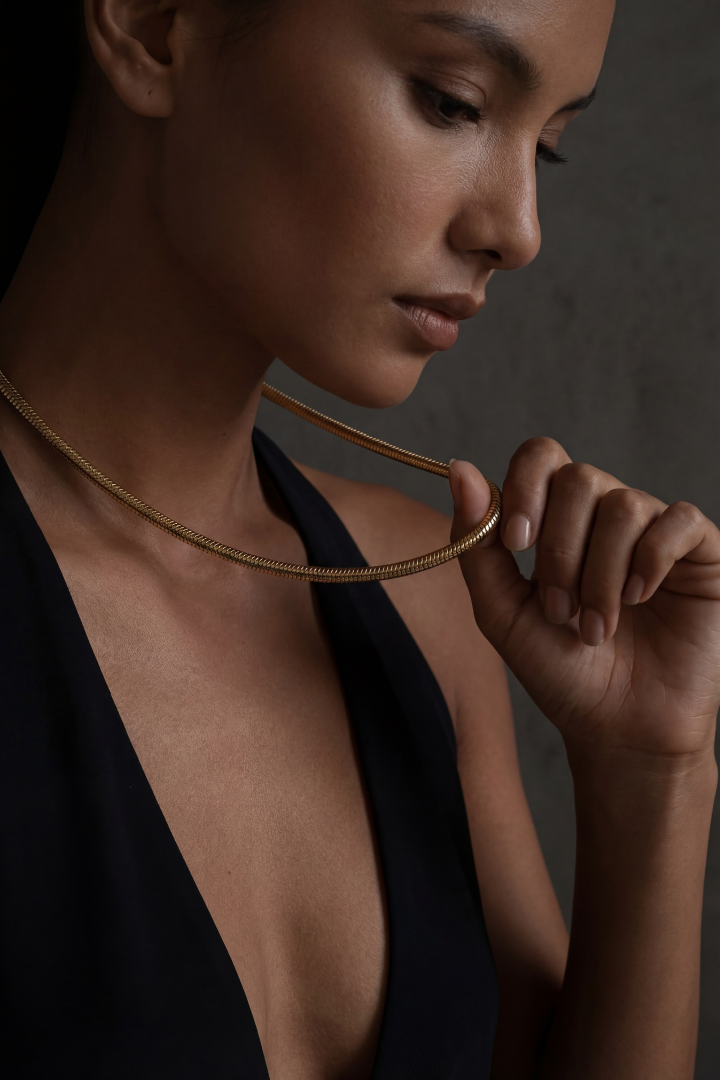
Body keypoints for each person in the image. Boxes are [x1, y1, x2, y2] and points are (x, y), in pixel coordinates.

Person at [0, 0, 716, 1077]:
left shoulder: (427, 600)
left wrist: (653, 776)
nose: (520, 230)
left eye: (549, 146)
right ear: (152, 26)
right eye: (453, 101)